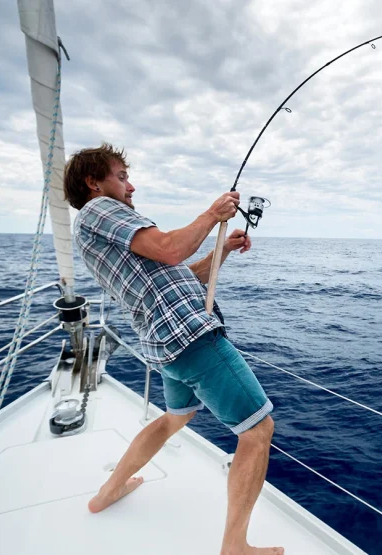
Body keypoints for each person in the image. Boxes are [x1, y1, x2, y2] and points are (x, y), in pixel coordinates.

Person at [64, 143, 283, 555]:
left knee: (173, 420)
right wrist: (211, 214)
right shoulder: (99, 210)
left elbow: (183, 274)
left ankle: (108, 492)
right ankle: (235, 546)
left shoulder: (109, 231)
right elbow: (170, 248)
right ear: (94, 183)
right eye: (122, 176)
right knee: (258, 430)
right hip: (190, 338)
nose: (131, 185)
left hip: (165, 345)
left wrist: (223, 248)